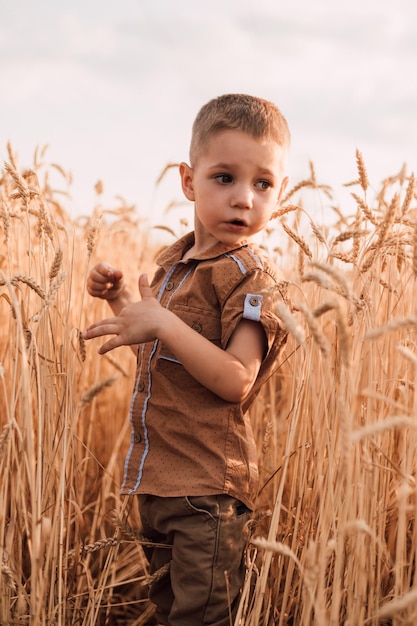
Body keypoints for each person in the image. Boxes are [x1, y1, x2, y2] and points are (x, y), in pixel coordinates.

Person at [84, 93, 290, 626]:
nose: (244, 198)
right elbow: (160, 341)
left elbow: (236, 379)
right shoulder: (174, 263)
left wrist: (164, 322)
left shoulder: (252, 280)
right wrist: (118, 300)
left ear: (279, 192)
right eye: (225, 177)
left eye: (262, 183)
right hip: (156, 482)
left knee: (199, 617)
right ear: (188, 180)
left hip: (207, 492)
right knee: (169, 610)